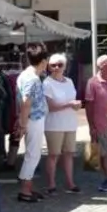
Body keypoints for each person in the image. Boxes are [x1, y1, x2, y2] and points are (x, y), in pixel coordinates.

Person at [42, 53, 82, 194]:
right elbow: (51, 107)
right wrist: (69, 104)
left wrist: (76, 105)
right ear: (49, 67)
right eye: (53, 65)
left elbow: (72, 100)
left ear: (65, 66)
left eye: (60, 65)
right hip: (54, 124)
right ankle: (51, 184)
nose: (57, 68)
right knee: (54, 154)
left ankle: (70, 183)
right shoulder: (47, 83)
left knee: (69, 153)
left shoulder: (69, 81)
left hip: (70, 123)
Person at [15, 44, 50, 203]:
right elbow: (26, 102)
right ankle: (25, 190)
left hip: (30, 118)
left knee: (32, 154)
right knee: (33, 155)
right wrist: (23, 124)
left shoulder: (25, 75)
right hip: (33, 119)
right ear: (43, 61)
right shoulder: (33, 78)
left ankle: (28, 187)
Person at [85, 54, 107, 193]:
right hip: (100, 124)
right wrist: (91, 126)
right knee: (102, 154)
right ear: (100, 67)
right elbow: (89, 106)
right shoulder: (92, 82)